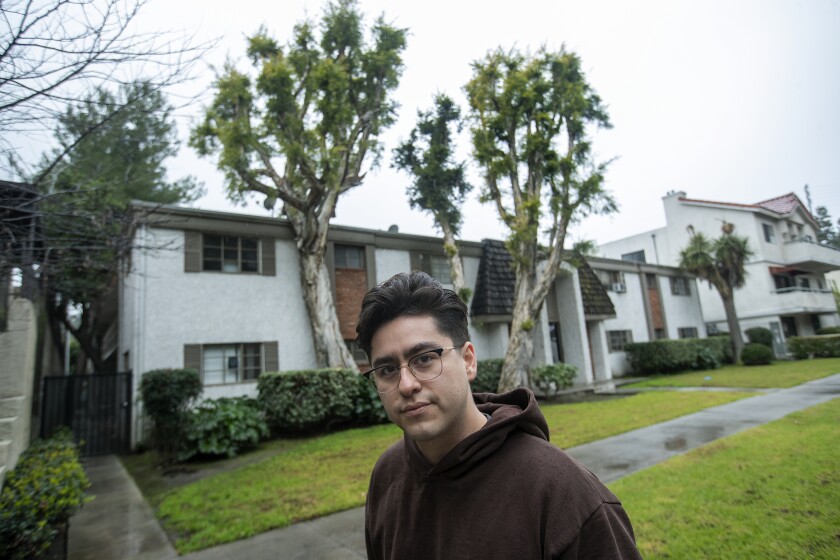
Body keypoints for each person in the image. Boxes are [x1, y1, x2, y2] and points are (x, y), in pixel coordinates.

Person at [356, 271, 642, 560]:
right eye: (388, 370)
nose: (406, 385)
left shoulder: (565, 494)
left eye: (425, 359)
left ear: (468, 361)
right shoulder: (387, 474)